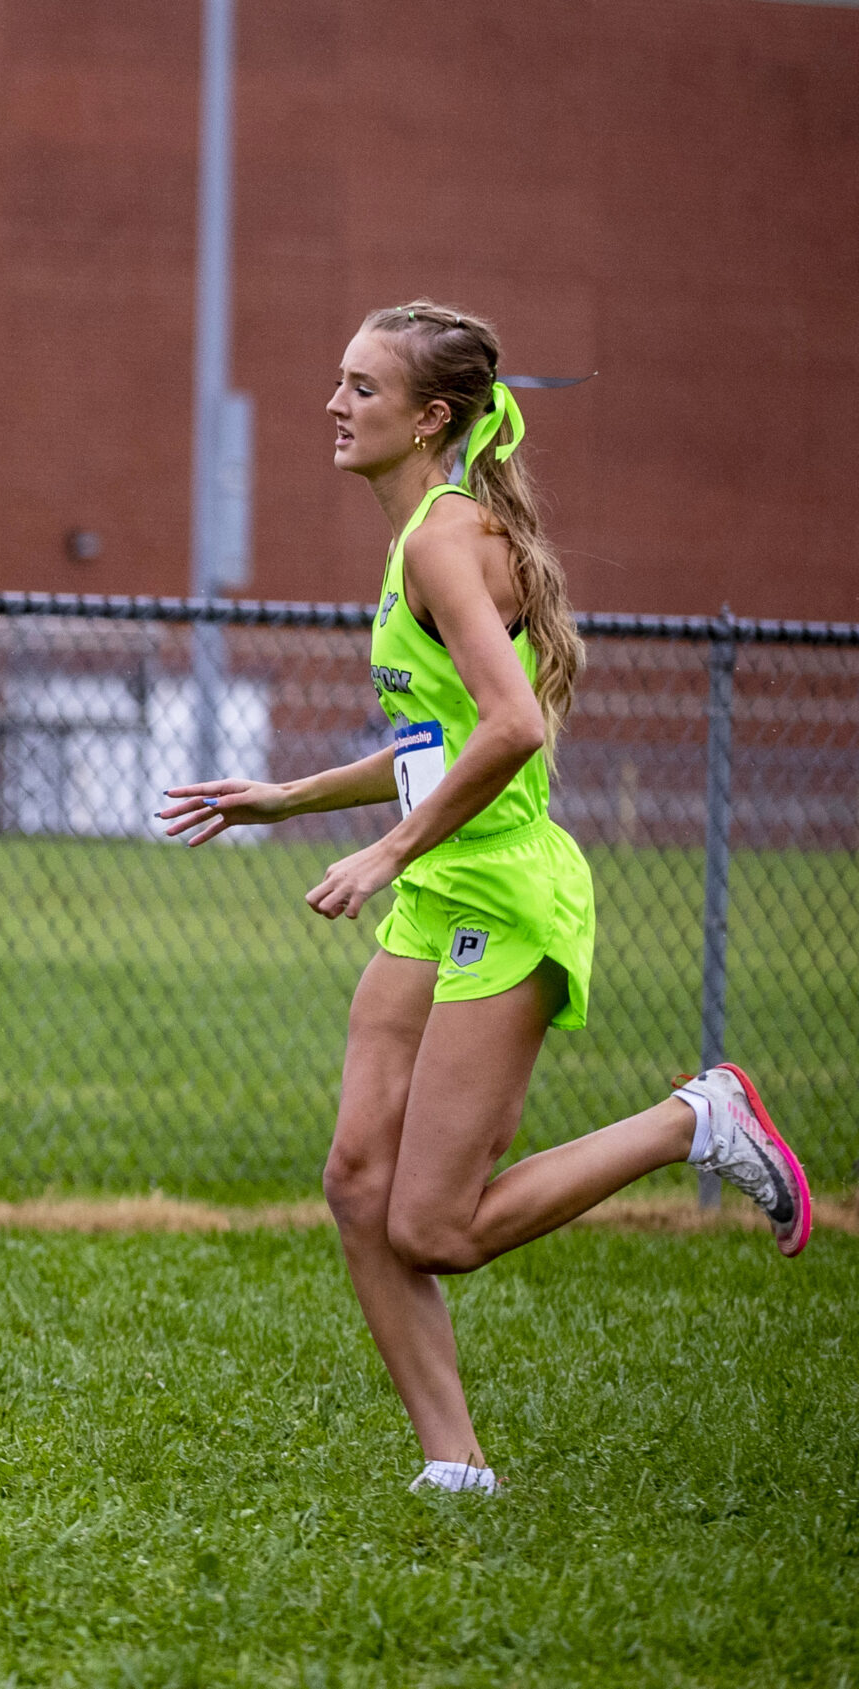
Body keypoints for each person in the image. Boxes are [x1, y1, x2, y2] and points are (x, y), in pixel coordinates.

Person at [158, 301, 810, 1495]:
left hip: (497, 896)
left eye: (362, 388)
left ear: (429, 419)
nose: (335, 405)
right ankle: (453, 1466)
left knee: (436, 1230)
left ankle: (694, 1120)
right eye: (338, 380)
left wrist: (387, 852)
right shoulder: (423, 535)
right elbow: (439, 736)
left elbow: (513, 730)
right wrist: (285, 796)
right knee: (357, 1184)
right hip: (437, 889)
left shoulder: (440, 543)